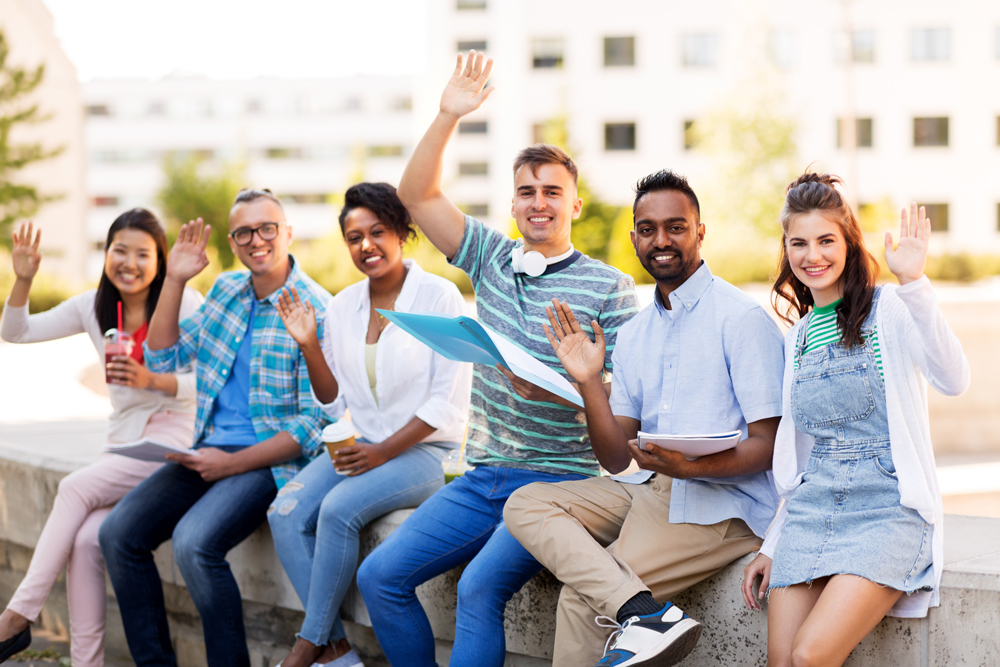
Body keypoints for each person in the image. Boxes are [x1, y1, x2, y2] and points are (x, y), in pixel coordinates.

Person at [354, 51, 639, 667]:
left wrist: (565, 386)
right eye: (526, 192)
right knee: (380, 576)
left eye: (553, 193)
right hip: (484, 476)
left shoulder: (610, 286)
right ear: (512, 204)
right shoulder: (489, 256)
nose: (539, 203)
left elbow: (630, 394)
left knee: (479, 587)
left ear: (576, 206)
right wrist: (447, 114)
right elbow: (414, 193)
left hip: (559, 483)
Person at [504, 169, 785, 667]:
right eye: (648, 229)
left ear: (700, 232)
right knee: (525, 504)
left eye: (675, 227)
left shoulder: (741, 319)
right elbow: (615, 458)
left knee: (582, 601)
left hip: (724, 508)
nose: (661, 240)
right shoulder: (633, 334)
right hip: (655, 488)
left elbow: (771, 447)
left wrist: (691, 469)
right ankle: (642, 613)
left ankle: (635, 611)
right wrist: (589, 381)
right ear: (633, 237)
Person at [740, 174, 970, 667]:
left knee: (809, 658)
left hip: (886, 509)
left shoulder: (890, 309)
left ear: (848, 242)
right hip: (812, 509)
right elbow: (799, 459)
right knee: (782, 662)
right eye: (799, 243)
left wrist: (915, 282)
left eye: (826, 240)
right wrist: (773, 542)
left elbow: (954, 379)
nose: (813, 255)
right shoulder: (796, 336)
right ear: (786, 248)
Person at [97, 189, 331, 667]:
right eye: (244, 231)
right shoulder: (226, 290)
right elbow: (164, 355)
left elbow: (315, 422)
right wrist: (176, 280)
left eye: (267, 228)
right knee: (117, 532)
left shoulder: (317, 307)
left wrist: (231, 464)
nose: (256, 239)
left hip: (267, 461)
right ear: (233, 241)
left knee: (194, 543)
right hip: (205, 451)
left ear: (288, 233)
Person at [267, 182, 472, 667]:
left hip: (428, 452)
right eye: (354, 237)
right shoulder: (342, 307)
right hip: (367, 444)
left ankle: (307, 646)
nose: (366, 246)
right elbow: (333, 397)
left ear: (402, 231)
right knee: (285, 513)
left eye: (377, 231)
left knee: (338, 510)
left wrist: (381, 453)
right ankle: (337, 650)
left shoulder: (439, 297)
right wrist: (309, 346)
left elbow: (449, 404)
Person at [0, 212, 202, 666]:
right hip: (124, 444)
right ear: (106, 253)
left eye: (143, 254)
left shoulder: (184, 303)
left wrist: (154, 381)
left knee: (74, 486)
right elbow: (15, 332)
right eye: (120, 250)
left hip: (174, 439)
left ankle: (16, 617)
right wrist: (23, 280)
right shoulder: (92, 307)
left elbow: (211, 382)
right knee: (89, 540)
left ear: (161, 261)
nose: (129, 262)